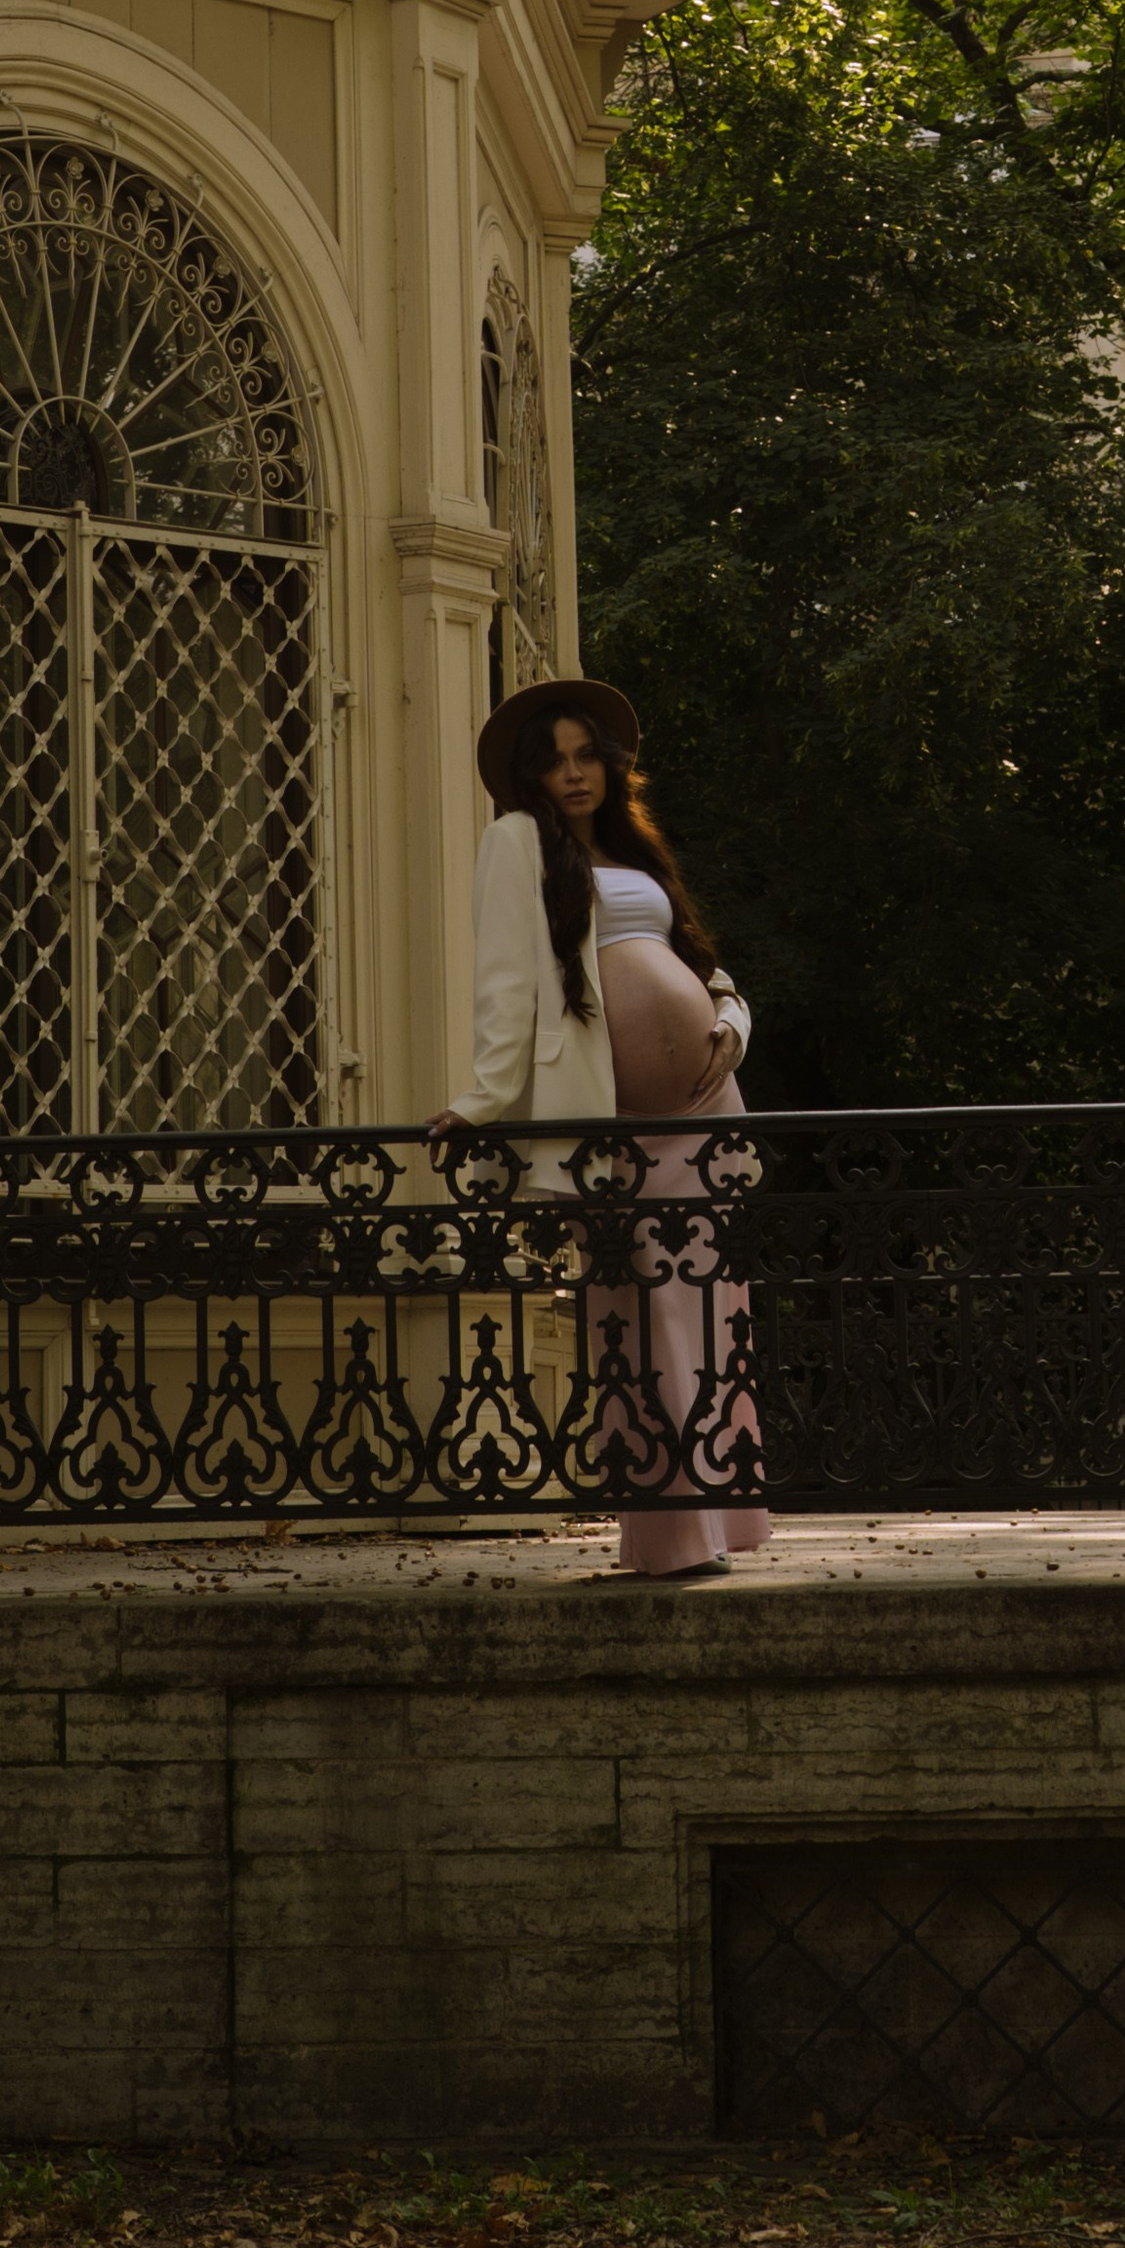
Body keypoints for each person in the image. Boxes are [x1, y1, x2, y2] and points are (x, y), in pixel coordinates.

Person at [431, 676, 774, 1581]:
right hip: (612, 1126)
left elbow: (703, 962)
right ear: (529, 775)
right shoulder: (515, 844)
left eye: (588, 756)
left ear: (610, 767)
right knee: (636, 1315)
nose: (574, 774)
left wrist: (731, 1026)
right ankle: (664, 1538)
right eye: (555, 760)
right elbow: (505, 981)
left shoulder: (635, 851)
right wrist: (481, 1100)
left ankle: (720, 1528)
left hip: (702, 1111)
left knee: (709, 1310)